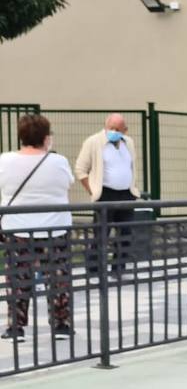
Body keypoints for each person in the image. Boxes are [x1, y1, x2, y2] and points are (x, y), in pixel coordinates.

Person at [1, 114, 75, 341]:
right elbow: (67, 183)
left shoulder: (4, 160)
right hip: (54, 228)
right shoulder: (58, 161)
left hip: (17, 229)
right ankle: (61, 324)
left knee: (18, 278)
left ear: (21, 136)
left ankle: (16, 327)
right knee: (58, 276)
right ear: (46, 137)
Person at [75, 112, 140, 277]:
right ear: (106, 126)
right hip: (105, 194)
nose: (115, 132)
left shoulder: (129, 142)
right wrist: (94, 191)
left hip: (126, 194)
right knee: (101, 234)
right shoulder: (94, 142)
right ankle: (94, 269)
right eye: (111, 128)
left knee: (126, 233)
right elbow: (81, 170)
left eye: (119, 129)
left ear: (125, 130)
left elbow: (131, 166)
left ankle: (119, 269)